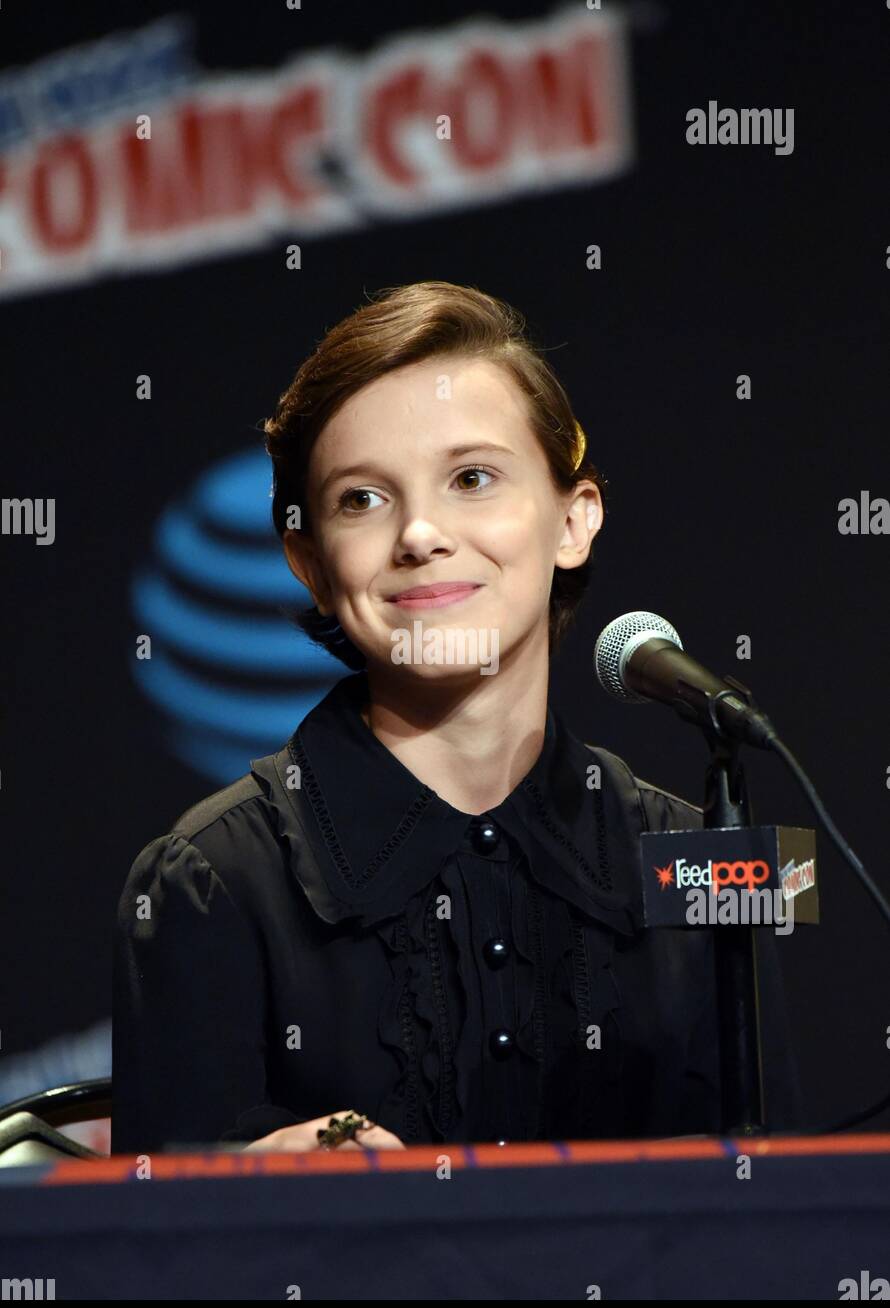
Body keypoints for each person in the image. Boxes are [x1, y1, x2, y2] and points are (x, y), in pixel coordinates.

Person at [111, 280, 803, 1155]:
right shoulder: (208, 884)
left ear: (573, 520)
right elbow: (151, 1262)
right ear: (310, 563)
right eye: (362, 499)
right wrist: (247, 1191)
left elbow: (779, 1228)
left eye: (472, 478)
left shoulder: (704, 869)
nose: (421, 532)